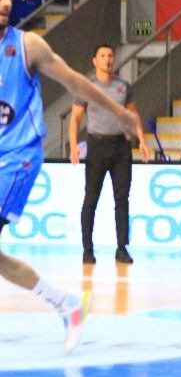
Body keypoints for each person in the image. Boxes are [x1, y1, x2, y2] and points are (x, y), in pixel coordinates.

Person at [0, 0, 139, 353]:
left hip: (19, 157)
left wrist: (118, 111)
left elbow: (76, 81)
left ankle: (66, 303)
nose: (5, 2)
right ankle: (66, 303)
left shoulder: (27, 45)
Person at [68, 43, 150, 265]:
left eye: (110, 55)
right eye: (102, 55)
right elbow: (75, 118)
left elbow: (133, 115)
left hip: (121, 146)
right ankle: (87, 249)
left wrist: (141, 139)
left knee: (122, 199)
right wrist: (73, 145)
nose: (107, 59)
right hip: (97, 145)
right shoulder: (86, 86)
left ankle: (122, 248)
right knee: (91, 198)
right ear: (95, 60)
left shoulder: (123, 86)